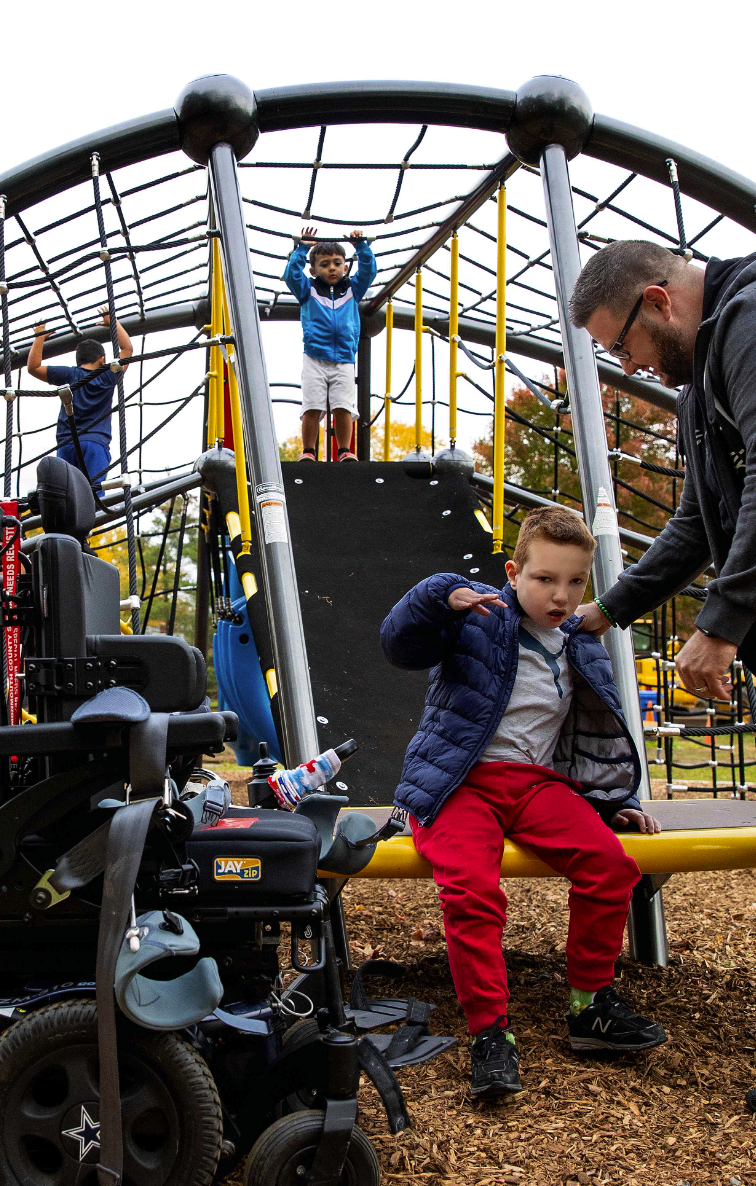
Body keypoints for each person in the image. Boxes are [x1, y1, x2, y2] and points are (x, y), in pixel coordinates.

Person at [568, 238, 756, 1124]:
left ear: (657, 299)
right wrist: (606, 611)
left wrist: (719, 629)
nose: (625, 363)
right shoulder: (703, 376)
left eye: (622, 344)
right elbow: (699, 518)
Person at [380, 507, 667, 1098]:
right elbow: (399, 645)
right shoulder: (479, 619)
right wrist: (438, 597)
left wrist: (614, 800)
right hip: (459, 784)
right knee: (472, 890)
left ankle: (590, 1007)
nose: (560, 595)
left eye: (575, 582)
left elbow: (597, 729)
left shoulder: (580, 644)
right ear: (512, 573)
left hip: (534, 786)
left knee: (613, 867)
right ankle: (491, 1033)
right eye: (544, 579)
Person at [283, 228, 377, 462]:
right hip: (315, 356)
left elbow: (369, 271)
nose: (332, 268)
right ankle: (309, 450)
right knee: (312, 406)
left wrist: (361, 247)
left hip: (344, 358)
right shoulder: (309, 290)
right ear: (314, 270)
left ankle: (344, 450)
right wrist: (302, 249)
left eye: (337, 263)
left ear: (346, 267)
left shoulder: (353, 290)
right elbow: (291, 276)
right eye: (325, 264)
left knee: (343, 407)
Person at [26, 306, 132, 490]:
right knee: (93, 496)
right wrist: (112, 322)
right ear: (101, 359)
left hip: (68, 443)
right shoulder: (107, 376)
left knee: (70, 497)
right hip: (95, 444)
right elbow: (127, 349)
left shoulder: (69, 375)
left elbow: (33, 367)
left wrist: (39, 337)